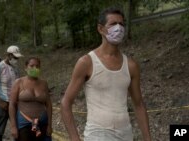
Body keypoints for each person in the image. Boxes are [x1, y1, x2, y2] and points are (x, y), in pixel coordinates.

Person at [61, 7, 151, 141]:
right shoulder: (87, 62)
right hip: (97, 134)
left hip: (126, 133)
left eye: (121, 24)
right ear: (100, 29)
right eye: (113, 24)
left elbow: (139, 105)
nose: (118, 28)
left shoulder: (131, 65)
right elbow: (66, 102)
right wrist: (75, 138)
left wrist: (148, 138)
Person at [9, 57, 52, 141]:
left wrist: (50, 125)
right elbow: (12, 104)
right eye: (31, 66)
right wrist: (13, 126)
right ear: (26, 67)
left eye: (37, 66)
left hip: (42, 122)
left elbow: (49, 105)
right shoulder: (18, 82)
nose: (34, 68)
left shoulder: (44, 83)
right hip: (23, 123)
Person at [0, 45, 23, 141]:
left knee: (17, 129)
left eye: (17, 58)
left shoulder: (16, 68)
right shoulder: (0, 67)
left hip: (15, 103)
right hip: (3, 103)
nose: (16, 59)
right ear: (9, 55)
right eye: (15, 57)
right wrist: (0, 102)